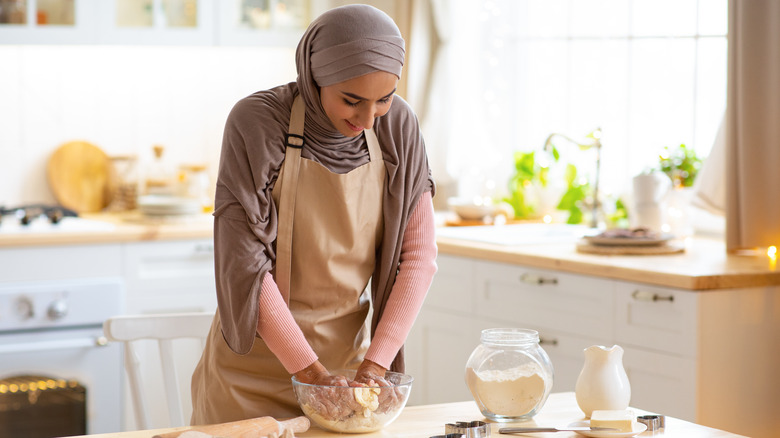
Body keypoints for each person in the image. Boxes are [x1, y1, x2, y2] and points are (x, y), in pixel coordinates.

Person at [190, 4, 437, 424]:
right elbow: (245, 265)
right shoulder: (259, 121)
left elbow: (418, 257)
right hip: (250, 378)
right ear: (314, 75)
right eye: (351, 100)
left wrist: (375, 367)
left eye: (384, 99)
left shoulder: (398, 126)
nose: (365, 118)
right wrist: (308, 371)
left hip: (347, 374)